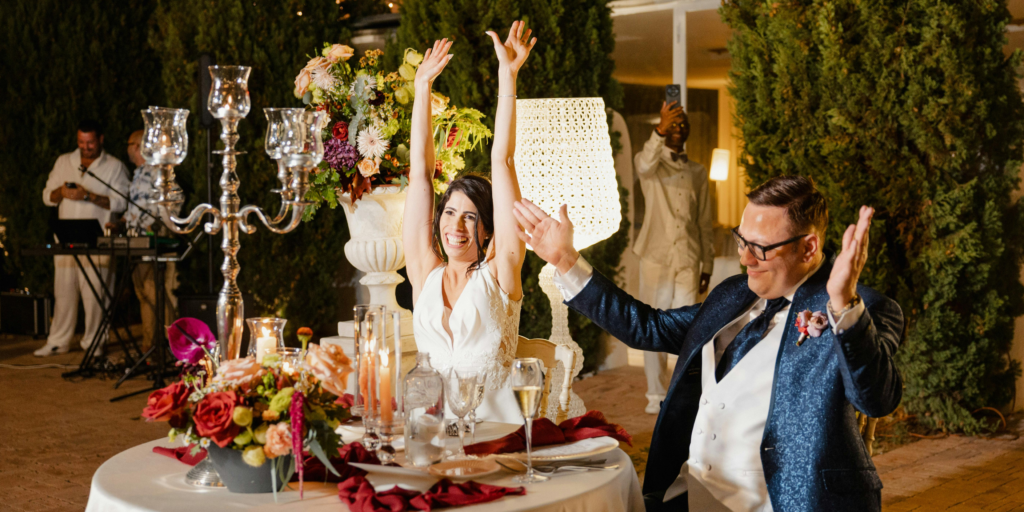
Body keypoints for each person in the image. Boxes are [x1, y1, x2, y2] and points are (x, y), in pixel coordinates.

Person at [514, 175, 902, 512]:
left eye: (761, 248)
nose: (746, 259)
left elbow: (878, 399)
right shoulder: (733, 294)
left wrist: (844, 305)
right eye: (741, 241)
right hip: (689, 494)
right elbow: (648, 327)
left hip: (788, 502)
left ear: (809, 248)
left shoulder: (860, 309)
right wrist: (565, 259)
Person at [404, 22, 536, 424]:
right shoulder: (424, 272)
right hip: (429, 436)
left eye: (470, 217)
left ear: (489, 230)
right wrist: (422, 88)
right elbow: (419, 173)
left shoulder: (500, 273)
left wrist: (507, 76)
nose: (455, 227)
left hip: (497, 438)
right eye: (449, 213)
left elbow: (503, 160)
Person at [633, 100, 714, 414]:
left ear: (689, 131)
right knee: (653, 325)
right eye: (673, 125)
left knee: (687, 327)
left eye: (682, 125)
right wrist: (659, 130)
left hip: (688, 258)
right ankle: (655, 395)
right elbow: (643, 164)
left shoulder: (698, 172)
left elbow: (704, 220)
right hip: (656, 257)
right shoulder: (651, 166)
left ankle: (679, 391)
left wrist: (707, 263)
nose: (678, 129)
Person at [37, 119, 130, 357]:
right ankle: (58, 341)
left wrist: (88, 196)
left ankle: (94, 343)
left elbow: (122, 202)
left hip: (98, 240)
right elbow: (47, 196)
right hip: (66, 237)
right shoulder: (64, 161)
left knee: (96, 294)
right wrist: (61, 192)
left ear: (100, 139)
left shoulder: (114, 166)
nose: (85, 147)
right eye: (81, 142)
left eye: (90, 142)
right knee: (63, 291)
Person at [120, 130, 180, 351]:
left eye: (129, 144)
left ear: (137, 146)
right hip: (137, 242)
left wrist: (157, 224)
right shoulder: (138, 173)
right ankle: (149, 348)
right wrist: (122, 222)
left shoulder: (158, 170)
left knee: (157, 293)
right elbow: (138, 207)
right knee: (143, 294)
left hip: (155, 242)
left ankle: (174, 348)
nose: (127, 149)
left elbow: (176, 198)